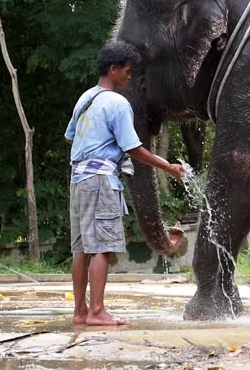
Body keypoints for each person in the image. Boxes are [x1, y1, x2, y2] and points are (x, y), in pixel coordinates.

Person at [65, 41, 185, 325]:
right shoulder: (118, 103)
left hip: (79, 180)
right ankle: (97, 311)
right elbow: (133, 147)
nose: (130, 77)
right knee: (102, 248)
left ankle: (80, 312)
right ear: (113, 69)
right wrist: (167, 166)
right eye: (128, 72)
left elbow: (71, 136)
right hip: (101, 181)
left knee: (81, 248)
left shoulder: (85, 99)